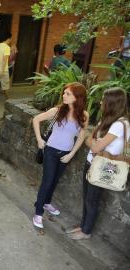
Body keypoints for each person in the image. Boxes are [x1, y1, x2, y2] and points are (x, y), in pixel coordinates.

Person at [66, 88, 129, 240]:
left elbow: (94, 145)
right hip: (91, 163)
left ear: (112, 103)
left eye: (103, 100)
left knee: (92, 200)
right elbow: (90, 139)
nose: (101, 102)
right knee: (87, 197)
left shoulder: (119, 125)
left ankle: (86, 231)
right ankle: (83, 225)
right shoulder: (106, 120)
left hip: (103, 167)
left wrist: (94, 143)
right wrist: (93, 142)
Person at [32, 82, 89, 229]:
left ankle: (46, 203)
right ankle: (38, 212)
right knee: (47, 181)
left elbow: (82, 136)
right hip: (50, 151)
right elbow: (36, 119)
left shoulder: (83, 115)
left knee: (55, 180)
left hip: (66, 153)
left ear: (78, 97)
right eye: (64, 93)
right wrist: (39, 139)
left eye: (68, 94)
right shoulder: (57, 111)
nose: (64, 95)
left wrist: (71, 154)